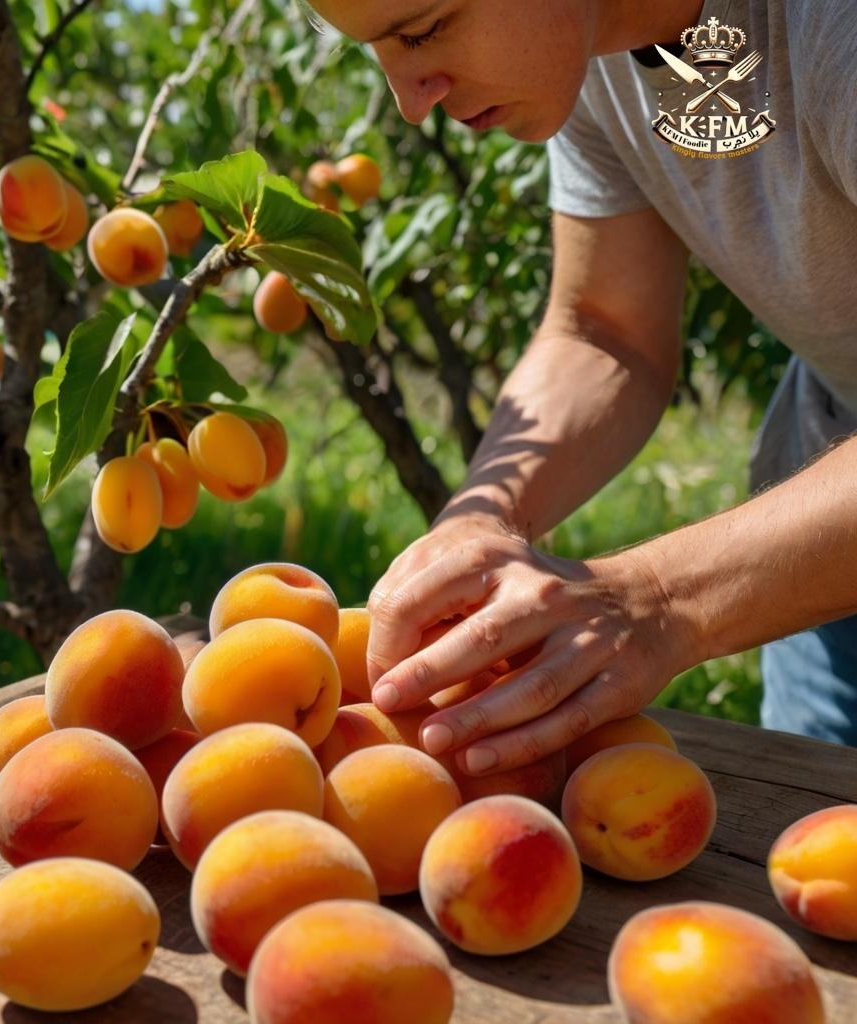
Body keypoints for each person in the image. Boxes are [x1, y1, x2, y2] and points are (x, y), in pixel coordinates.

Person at [303, 0, 857, 775]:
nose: (410, 98)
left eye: (424, 29)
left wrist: (659, 599)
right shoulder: (589, 53)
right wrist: (480, 515)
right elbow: (607, 331)